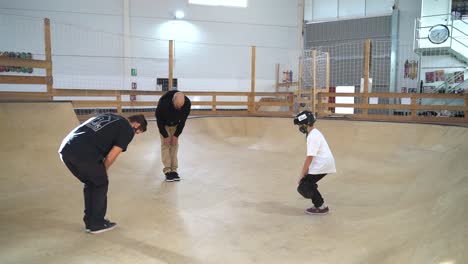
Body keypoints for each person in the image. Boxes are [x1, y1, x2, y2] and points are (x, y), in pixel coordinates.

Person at [59, 113, 147, 233]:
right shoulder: (128, 129)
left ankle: (90, 221)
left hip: (66, 148)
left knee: (91, 183)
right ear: (137, 124)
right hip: (82, 153)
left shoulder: (109, 116)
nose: (135, 134)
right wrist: (104, 171)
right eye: (137, 132)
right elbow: (112, 155)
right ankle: (97, 223)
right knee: (100, 183)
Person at [293, 110, 336, 215]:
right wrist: (307, 172)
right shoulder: (314, 133)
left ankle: (320, 207)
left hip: (323, 164)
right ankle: (320, 204)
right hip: (323, 163)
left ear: (306, 123)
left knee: (304, 186)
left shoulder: (312, 136)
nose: (300, 128)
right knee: (308, 183)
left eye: (300, 125)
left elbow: (309, 157)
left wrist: (301, 174)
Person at [155, 90, 191, 182]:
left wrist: (176, 135)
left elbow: (183, 121)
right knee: (165, 144)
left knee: (174, 145)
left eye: (181, 106)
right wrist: (165, 135)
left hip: (176, 124)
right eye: (177, 106)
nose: (179, 108)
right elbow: (159, 121)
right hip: (164, 124)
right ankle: (167, 170)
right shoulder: (163, 103)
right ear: (173, 101)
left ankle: (174, 170)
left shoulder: (186, 104)